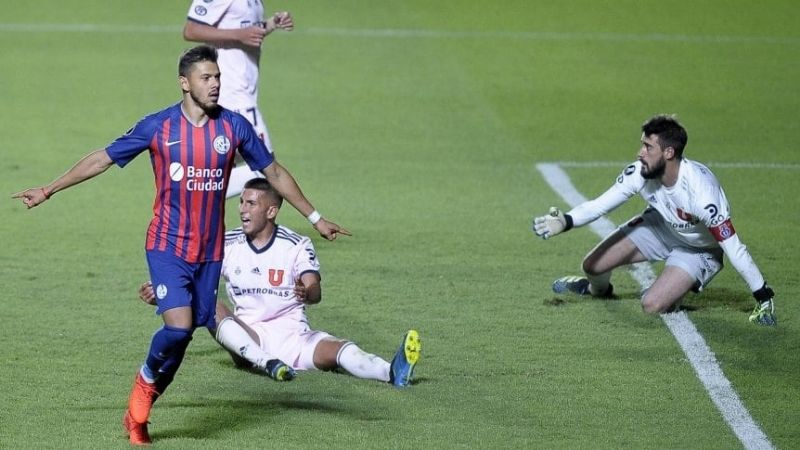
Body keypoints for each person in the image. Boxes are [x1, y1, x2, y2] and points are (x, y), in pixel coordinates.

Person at [13, 45, 350, 446]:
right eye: (206, 78)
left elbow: (273, 171)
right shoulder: (158, 127)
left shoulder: (234, 128)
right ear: (184, 83)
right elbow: (103, 158)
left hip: (210, 252)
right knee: (179, 327)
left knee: (187, 334)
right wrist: (50, 189)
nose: (215, 84)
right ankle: (142, 389)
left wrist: (315, 218)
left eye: (218, 77)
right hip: (167, 245)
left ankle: (144, 405)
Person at [138, 178, 421, 389]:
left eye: (251, 203)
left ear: (271, 211)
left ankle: (392, 372)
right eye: (241, 202)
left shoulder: (296, 245)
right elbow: (192, 277)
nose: (242, 210)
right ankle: (267, 363)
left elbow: (314, 289)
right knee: (209, 304)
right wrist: (165, 292)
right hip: (249, 338)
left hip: (294, 337)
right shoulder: (227, 243)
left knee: (341, 351)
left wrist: (307, 292)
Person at [532, 114, 777, 326]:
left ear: (669, 152)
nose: (640, 153)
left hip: (698, 249)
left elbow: (733, 246)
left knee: (651, 304)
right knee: (592, 266)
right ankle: (597, 290)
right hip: (660, 226)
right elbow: (599, 204)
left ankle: (676, 290)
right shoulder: (641, 172)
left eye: (648, 147)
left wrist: (762, 294)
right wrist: (566, 220)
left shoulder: (701, 193)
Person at [184, 0, 294, 199]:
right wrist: (238, 35)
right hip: (234, 96)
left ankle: (195, 205)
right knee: (267, 171)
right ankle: (194, 194)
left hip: (244, 92)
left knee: (223, 164)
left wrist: (271, 24)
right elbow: (191, 30)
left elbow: (247, 30)